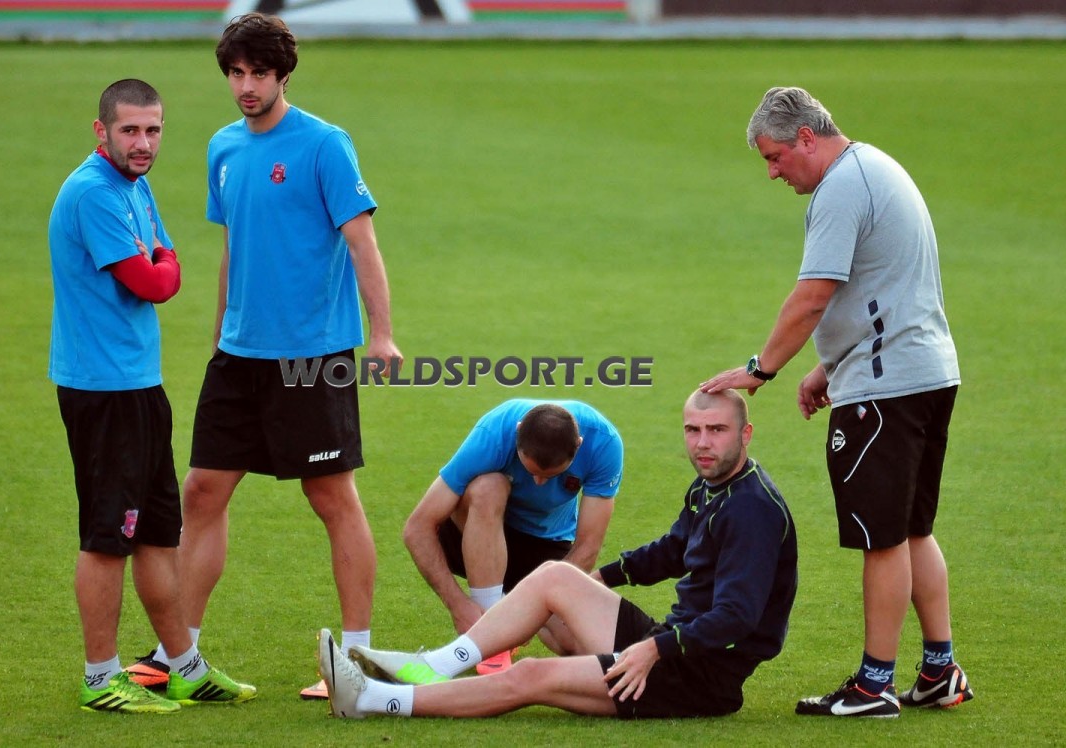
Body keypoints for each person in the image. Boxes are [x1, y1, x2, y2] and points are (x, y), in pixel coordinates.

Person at [126, 14, 402, 700]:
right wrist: (221, 332)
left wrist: (382, 335)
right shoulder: (223, 147)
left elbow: (362, 243)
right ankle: (178, 654)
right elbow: (234, 246)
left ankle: (357, 660)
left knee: (330, 496)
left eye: (258, 73)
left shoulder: (325, 145)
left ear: (283, 75)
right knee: (201, 492)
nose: (246, 86)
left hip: (311, 356)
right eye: (236, 73)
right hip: (238, 356)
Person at [701, 86, 973, 718]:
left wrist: (760, 369)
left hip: (886, 387)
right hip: (927, 372)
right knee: (913, 529)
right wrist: (829, 366)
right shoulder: (876, 166)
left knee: (883, 539)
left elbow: (814, 295)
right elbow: (889, 285)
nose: (772, 173)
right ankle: (939, 671)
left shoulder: (841, 188)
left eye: (774, 157)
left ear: (806, 138)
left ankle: (874, 687)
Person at [318, 389, 798, 721]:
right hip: (670, 643)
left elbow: (736, 617)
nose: (702, 443)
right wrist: (597, 582)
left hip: (696, 676)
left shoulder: (751, 510)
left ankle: (371, 700)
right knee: (555, 576)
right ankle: (437, 664)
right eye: (693, 429)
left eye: (717, 430)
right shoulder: (712, 486)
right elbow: (673, 551)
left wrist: (653, 650)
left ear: (745, 434)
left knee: (531, 675)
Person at [48, 79, 255, 713]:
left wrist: (162, 260)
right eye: (130, 130)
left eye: (153, 130)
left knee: (159, 534)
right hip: (102, 391)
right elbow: (156, 282)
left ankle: (183, 666)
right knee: (107, 538)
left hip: (139, 385)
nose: (143, 143)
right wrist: (161, 261)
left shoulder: (134, 186)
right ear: (101, 130)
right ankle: (100, 678)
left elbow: (169, 259)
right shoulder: (93, 192)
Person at [402, 399, 623, 673]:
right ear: (518, 432)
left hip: (547, 545)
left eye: (551, 476)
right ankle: (489, 636)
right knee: (488, 487)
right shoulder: (495, 432)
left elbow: (587, 546)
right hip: (475, 531)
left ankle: (499, 619)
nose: (538, 483)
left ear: (578, 445)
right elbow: (417, 528)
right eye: (531, 471)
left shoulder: (604, 443)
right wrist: (458, 605)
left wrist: (528, 610)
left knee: (576, 642)